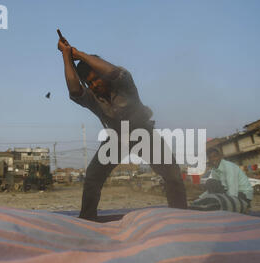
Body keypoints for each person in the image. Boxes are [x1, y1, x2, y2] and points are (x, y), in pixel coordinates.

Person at [58, 35, 187, 221]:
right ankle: (87, 219)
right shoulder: (92, 97)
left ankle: (182, 218)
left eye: (96, 79)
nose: (94, 85)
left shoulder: (123, 83)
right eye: (90, 83)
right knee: (93, 177)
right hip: (117, 138)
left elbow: (112, 71)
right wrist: (65, 54)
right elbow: (74, 90)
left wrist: (78, 54)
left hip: (143, 133)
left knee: (172, 174)